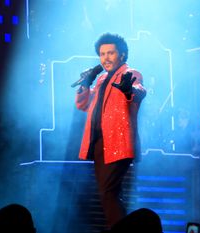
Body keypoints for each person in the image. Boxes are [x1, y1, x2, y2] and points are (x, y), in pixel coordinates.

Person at [75, 33, 146, 228]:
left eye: (111, 53)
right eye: (102, 54)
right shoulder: (100, 80)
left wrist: (128, 90)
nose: (105, 58)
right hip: (99, 143)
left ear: (122, 55)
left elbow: (139, 91)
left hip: (118, 143)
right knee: (109, 194)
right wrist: (85, 83)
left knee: (107, 193)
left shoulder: (130, 73)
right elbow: (82, 105)